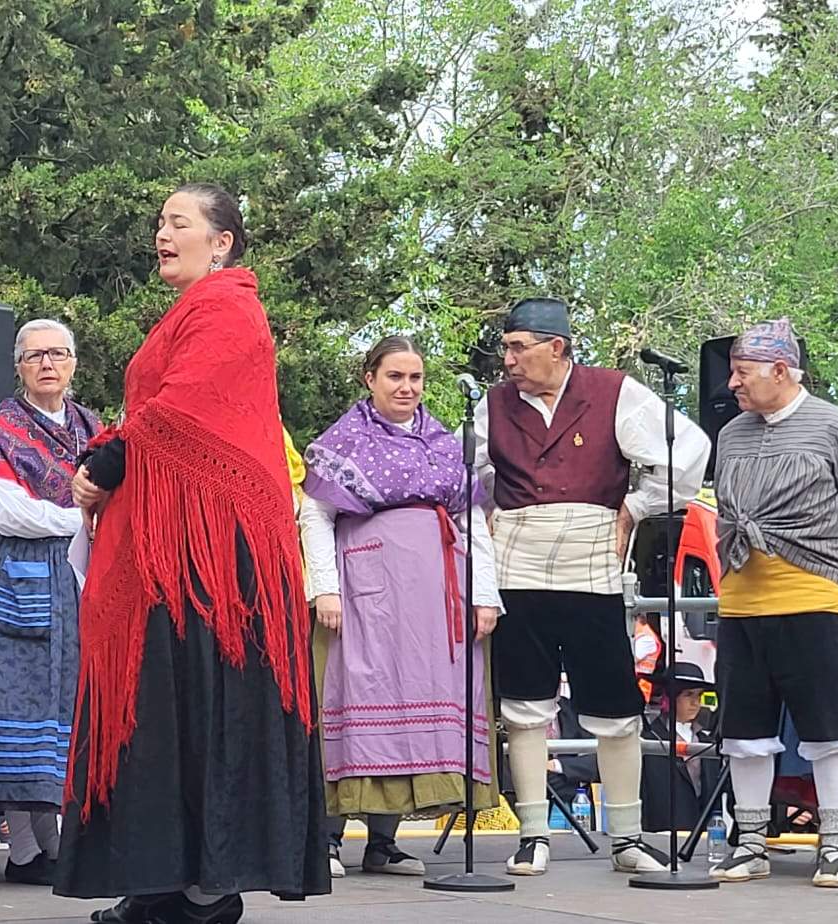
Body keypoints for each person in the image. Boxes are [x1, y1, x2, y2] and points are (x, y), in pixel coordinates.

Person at [58, 182, 329, 924]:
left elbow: (179, 410)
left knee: (210, 702)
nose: (162, 234)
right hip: (174, 548)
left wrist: (110, 459)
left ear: (223, 241)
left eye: (179, 222)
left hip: (218, 557)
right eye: (159, 223)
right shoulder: (189, 312)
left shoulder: (230, 308)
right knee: (168, 704)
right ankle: (168, 879)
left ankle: (208, 885)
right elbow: (155, 411)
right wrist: (108, 455)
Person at [465, 295, 709, 875]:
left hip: (594, 567)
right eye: (506, 347)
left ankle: (626, 838)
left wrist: (639, 505)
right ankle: (531, 833)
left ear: (557, 347)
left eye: (519, 346)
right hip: (517, 566)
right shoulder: (491, 406)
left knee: (615, 703)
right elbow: (470, 475)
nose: (509, 358)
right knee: (524, 704)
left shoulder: (613, 391)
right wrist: (487, 512)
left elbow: (690, 450)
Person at [299, 336, 501, 879]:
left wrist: (484, 593)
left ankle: (384, 841)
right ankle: (328, 837)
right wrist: (325, 588)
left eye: (415, 378)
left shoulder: (444, 442)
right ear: (370, 378)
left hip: (435, 591)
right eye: (395, 377)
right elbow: (315, 515)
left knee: (420, 695)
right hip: (367, 585)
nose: (407, 388)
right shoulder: (343, 443)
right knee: (354, 689)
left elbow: (471, 520)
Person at [707, 318, 838, 888]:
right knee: (744, 732)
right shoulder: (730, 435)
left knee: (828, 728)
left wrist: (831, 574)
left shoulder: (837, 428)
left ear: (780, 371)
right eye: (732, 370)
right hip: (740, 603)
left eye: (742, 371)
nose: (732, 383)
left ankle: (835, 847)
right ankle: (750, 843)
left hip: (812, 597)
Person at [0, 319, 101, 886]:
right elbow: (3, 506)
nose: (48, 364)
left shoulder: (93, 429)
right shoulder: (4, 429)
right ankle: (24, 850)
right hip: (18, 576)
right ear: (19, 366)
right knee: (16, 701)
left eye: (58, 354)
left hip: (82, 578)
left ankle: (54, 842)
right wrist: (77, 519)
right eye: (35, 356)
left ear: (74, 362)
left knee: (66, 703)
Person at [639, 663, 720, 833]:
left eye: (699, 695)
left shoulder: (707, 742)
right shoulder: (649, 741)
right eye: (688, 694)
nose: (695, 702)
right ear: (669, 698)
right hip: (660, 833)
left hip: (701, 835)